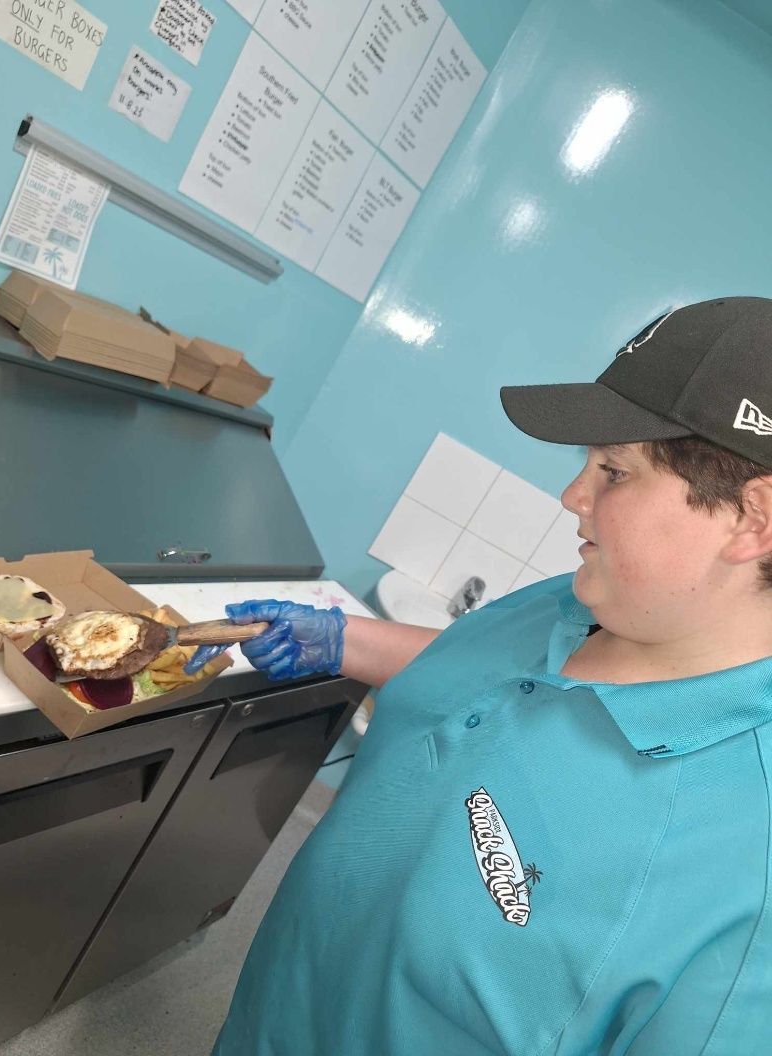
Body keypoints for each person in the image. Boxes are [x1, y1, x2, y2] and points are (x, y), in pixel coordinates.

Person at [188, 297, 772, 1055]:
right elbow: (476, 676)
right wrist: (340, 641)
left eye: (615, 471)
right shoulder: (578, 599)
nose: (574, 496)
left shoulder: (741, 871)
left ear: (752, 521)